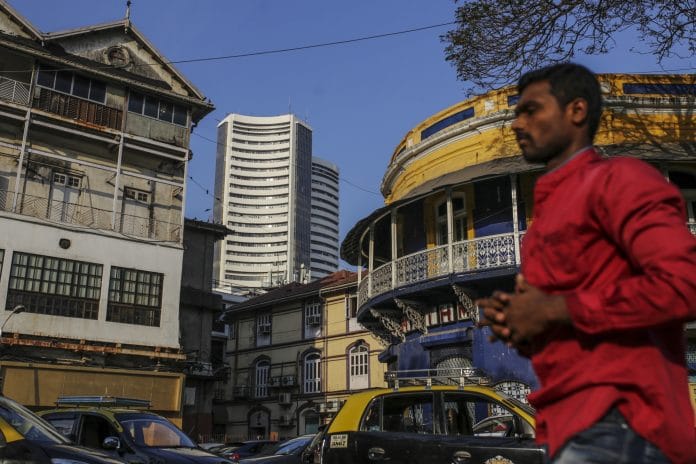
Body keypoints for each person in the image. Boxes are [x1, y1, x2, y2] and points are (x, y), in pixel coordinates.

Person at [476, 63, 696, 464]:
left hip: (624, 421)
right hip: (565, 425)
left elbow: (685, 283)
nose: (517, 124)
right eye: (515, 114)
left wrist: (556, 308)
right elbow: (561, 329)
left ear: (576, 111)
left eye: (531, 111)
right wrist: (520, 323)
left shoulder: (621, 179)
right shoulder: (542, 221)